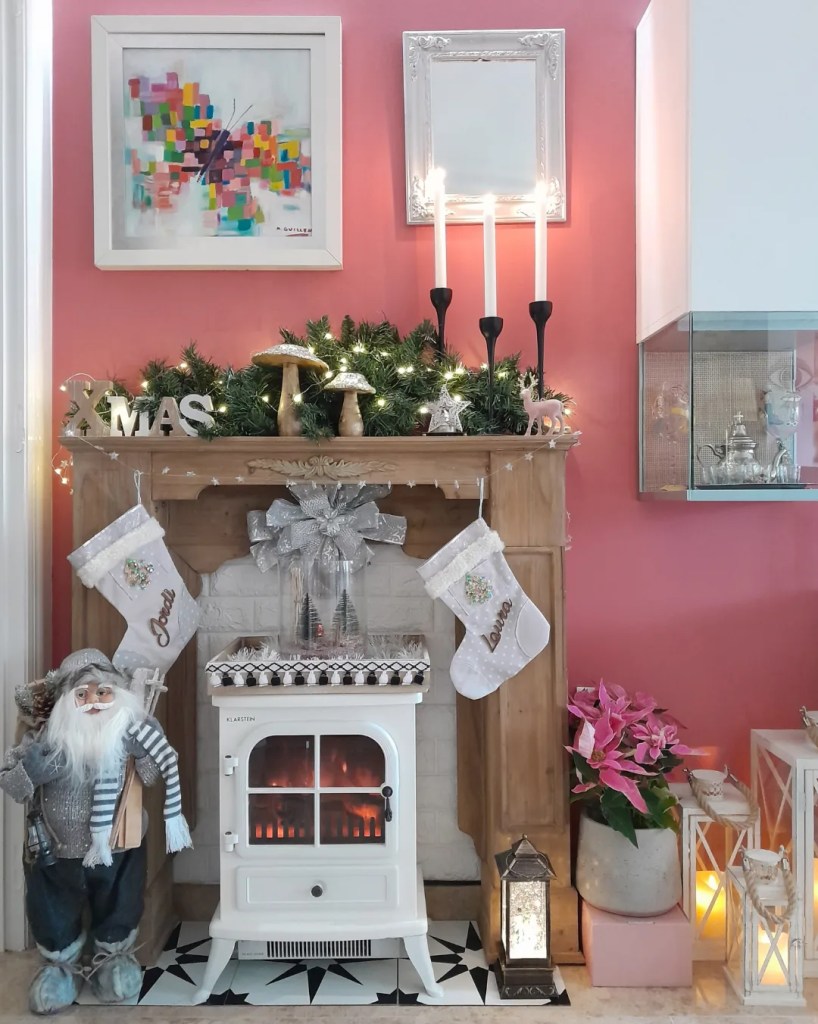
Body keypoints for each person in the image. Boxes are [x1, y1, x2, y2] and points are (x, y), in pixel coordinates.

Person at [0, 649, 189, 1014]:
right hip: (55, 850)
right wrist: (33, 771)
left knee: (121, 900)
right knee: (51, 906)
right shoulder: (44, 740)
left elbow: (151, 775)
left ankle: (113, 960)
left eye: (103, 692)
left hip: (119, 846)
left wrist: (142, 753)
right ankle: (59, 966)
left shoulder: (129, 732)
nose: (93, 702)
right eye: (82, 694)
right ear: (66, 701)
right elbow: (13, 785)